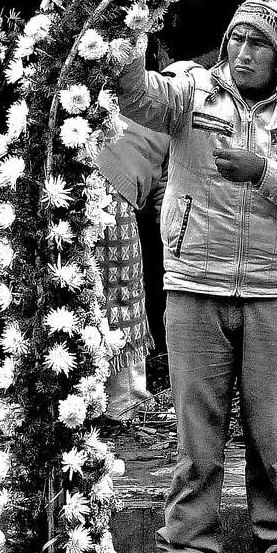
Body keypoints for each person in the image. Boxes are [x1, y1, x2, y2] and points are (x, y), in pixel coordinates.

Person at [116, 0, 277, 553]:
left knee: (273, 431)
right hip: (195, 283)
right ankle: (187, 551)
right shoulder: (191, 91)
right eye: (237, 38)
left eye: (259, 44)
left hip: (276, 290)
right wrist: (134, 37)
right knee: (197, 429)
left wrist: (264, 171)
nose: (243, 53)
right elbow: (137, 96)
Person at [95, 119, 170, 422]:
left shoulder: (137, 111)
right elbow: (169, 195)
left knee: (86, 292)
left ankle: (85, 397)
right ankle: (126, 402)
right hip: (112, 186)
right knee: (123, 295)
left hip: (86, 168)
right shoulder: (178, 118)